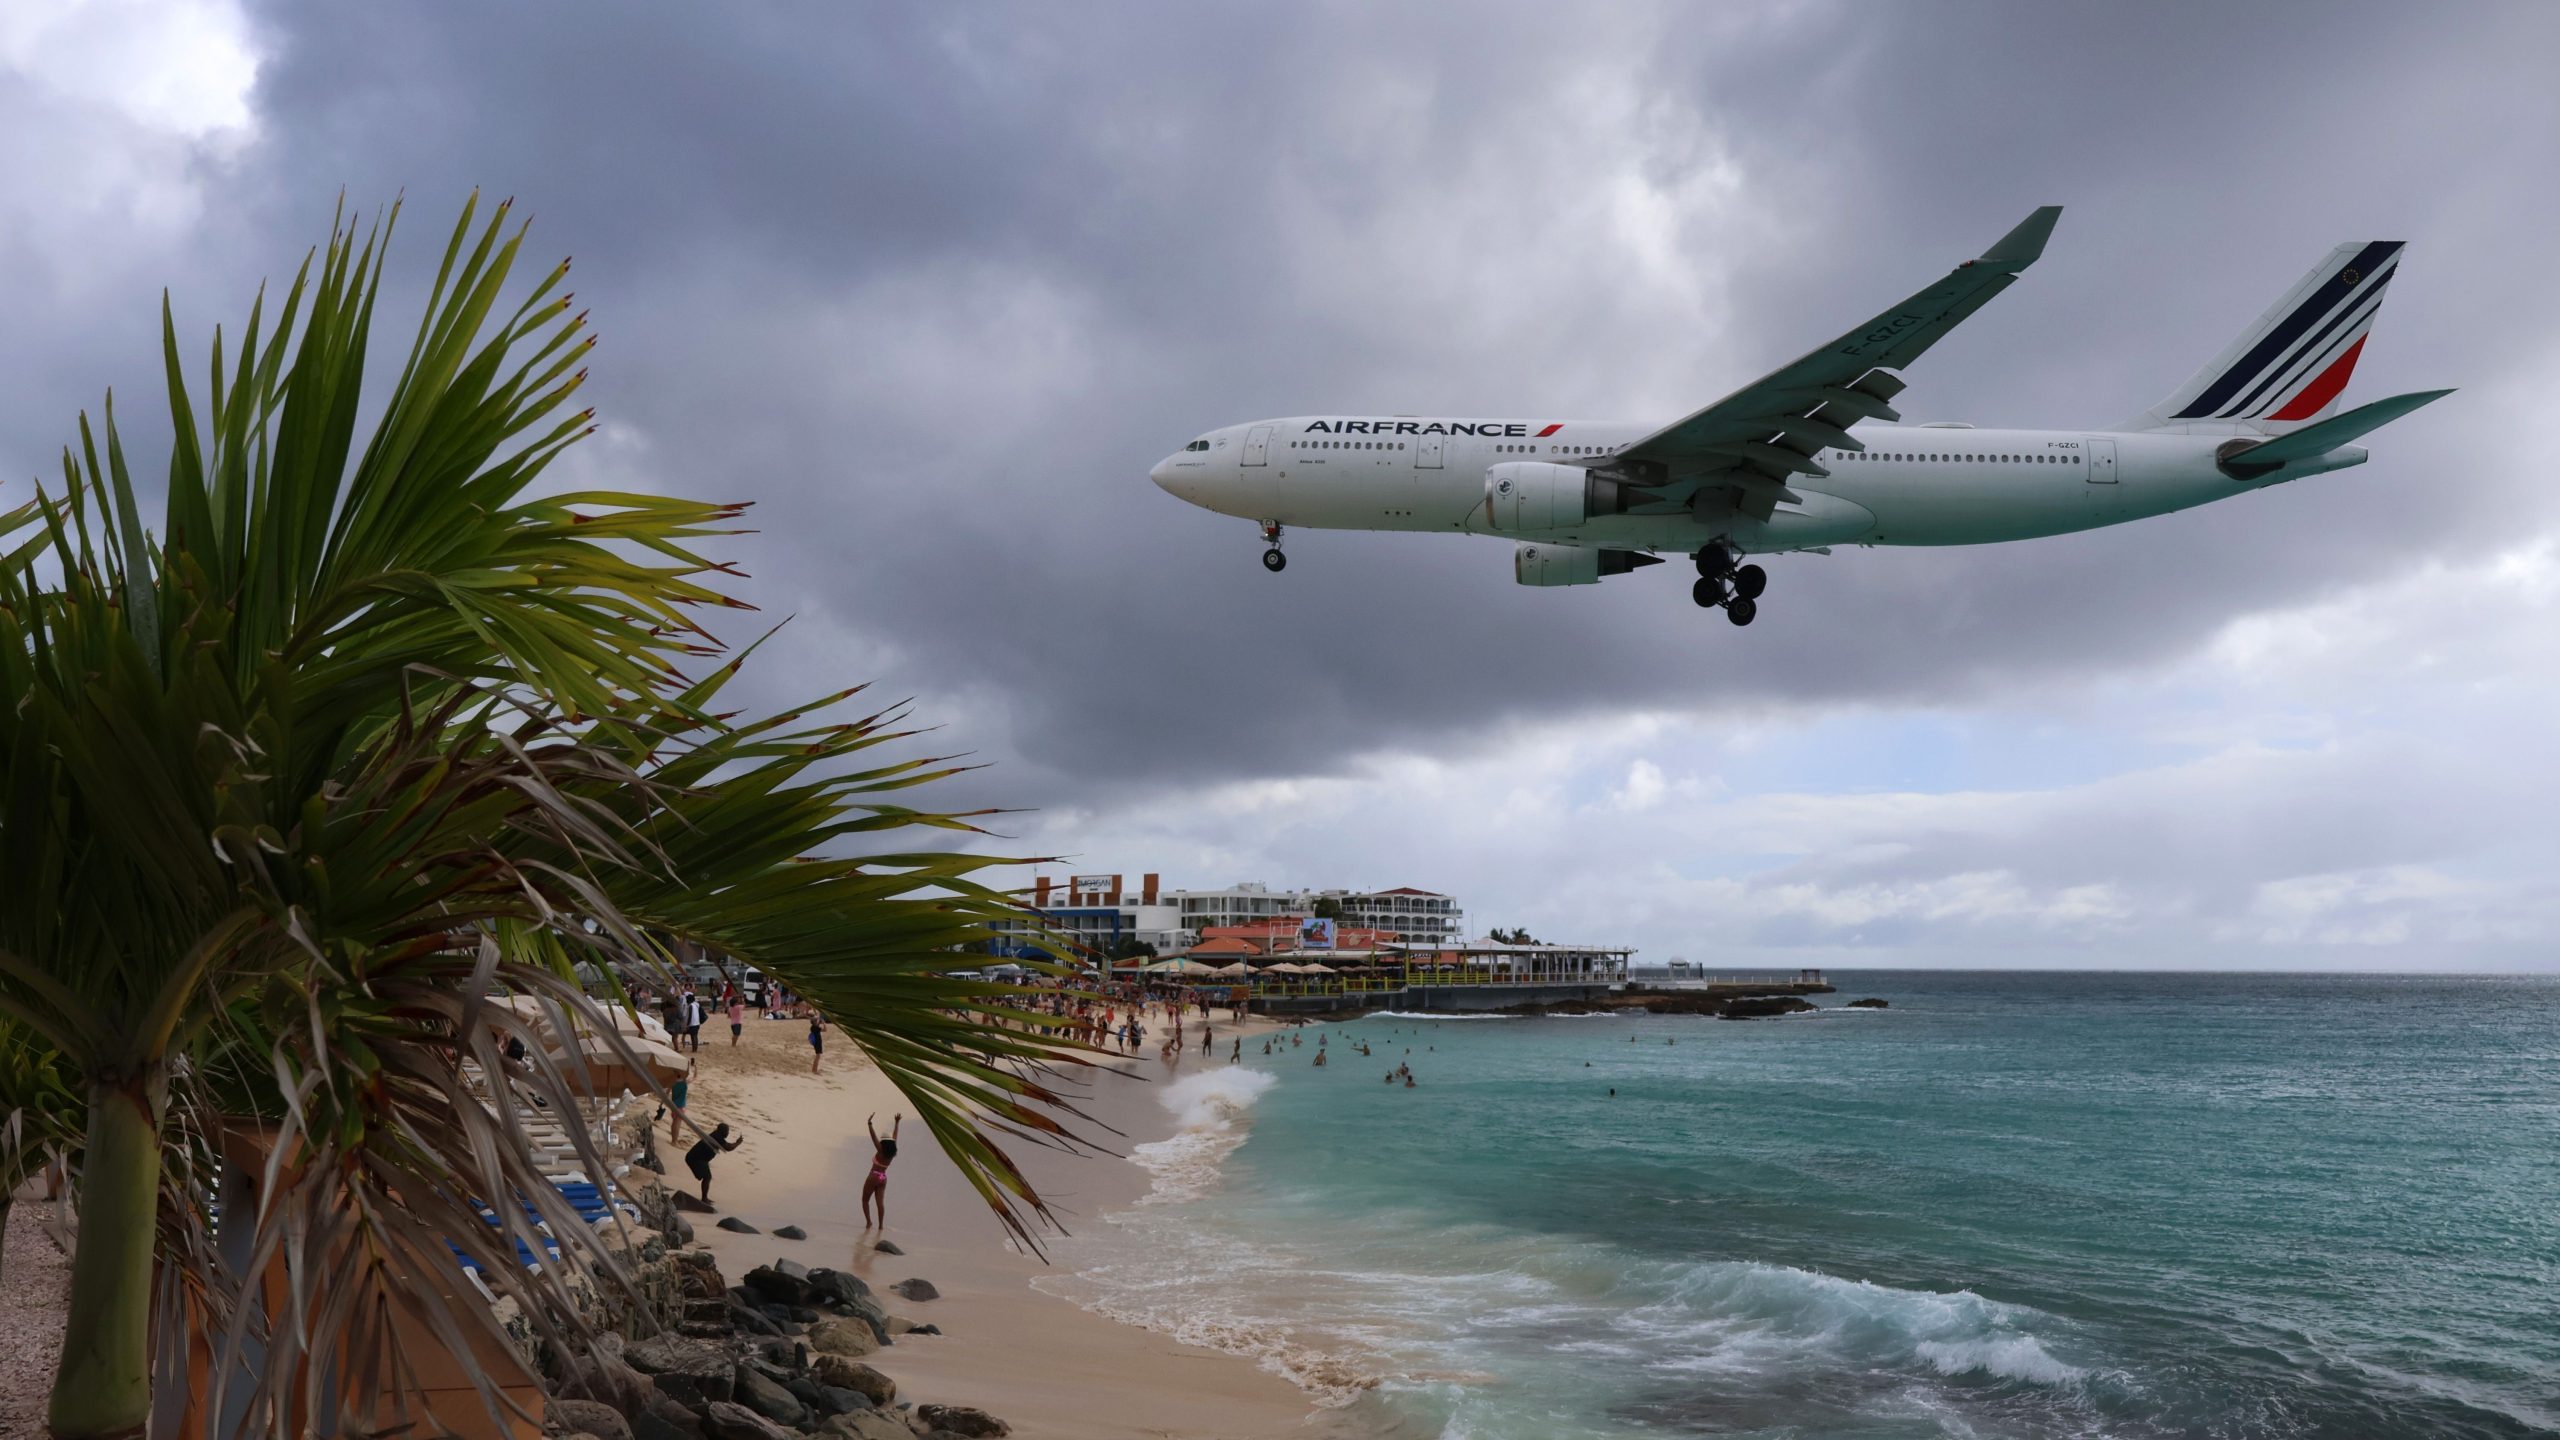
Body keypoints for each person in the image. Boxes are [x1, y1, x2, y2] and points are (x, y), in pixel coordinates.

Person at [685, 1121, 742, 1204]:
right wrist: (738, 1143)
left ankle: (704, 1198)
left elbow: (727, 1145)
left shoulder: (716, 1135)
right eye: (727, 1131)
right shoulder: (717, 1137)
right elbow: (729, 1148)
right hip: (696, 1158)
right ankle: (704, 1199)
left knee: (707, 1176)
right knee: (707, 1177)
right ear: (722, 1131)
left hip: (697, 1157)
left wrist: (736, 1143)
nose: (728, 1133)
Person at [861, 1112, 901, 1227]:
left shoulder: (880, 1149)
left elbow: (873, 1137)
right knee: (880, 1204)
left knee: (865, 1201)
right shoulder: (892, 1152)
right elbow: (895, 1136)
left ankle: (869, 1222)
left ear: (883, 1141)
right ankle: (881, 1225)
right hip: (883, 1178)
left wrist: (870, 1124)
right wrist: (897, 1123)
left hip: (873, 1175)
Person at [668, 1059, 693, 1143]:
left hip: (673, 1105)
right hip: (681, 1106)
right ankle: (674, 1141)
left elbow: (667, 1093)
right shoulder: (685, 1083)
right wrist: (695, 1067)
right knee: (677, 1124)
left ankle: (673, 1139)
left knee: (674, 1123)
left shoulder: (672, 1082)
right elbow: (695, 1077)